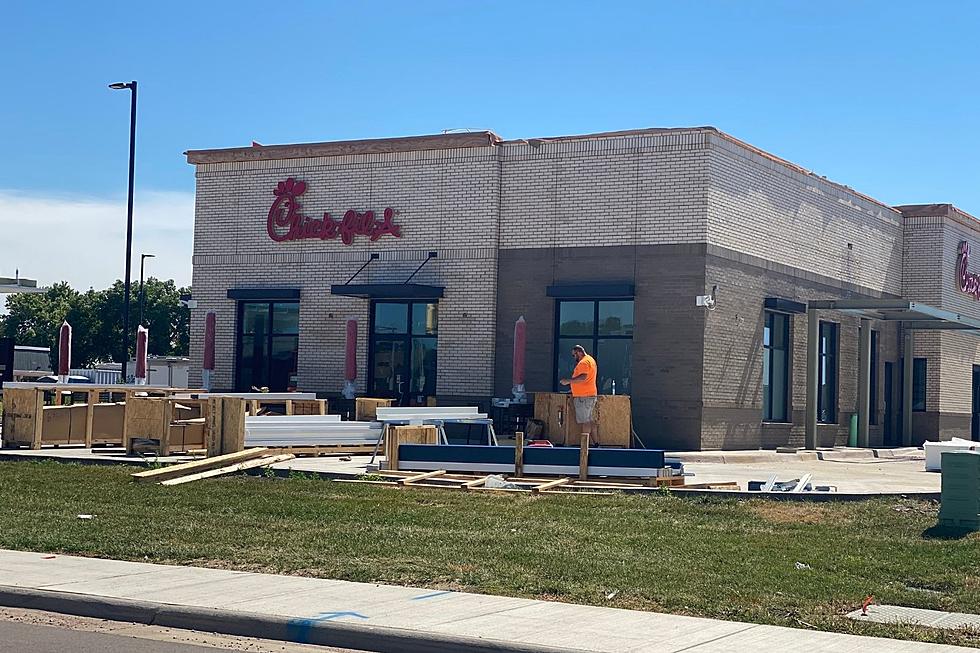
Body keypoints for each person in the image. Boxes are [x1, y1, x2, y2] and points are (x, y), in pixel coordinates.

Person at [559, 344, 598, 446]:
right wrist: (573, 390)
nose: (574, 358)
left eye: (574, 355)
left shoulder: (584, 362)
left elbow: (583, 377)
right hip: (589, 394)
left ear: (579, 352)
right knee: (589, 420)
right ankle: (596, 443)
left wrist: (568, 381)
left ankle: (584, 445)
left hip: (584, 397)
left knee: (585, 421)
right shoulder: (590, 360)